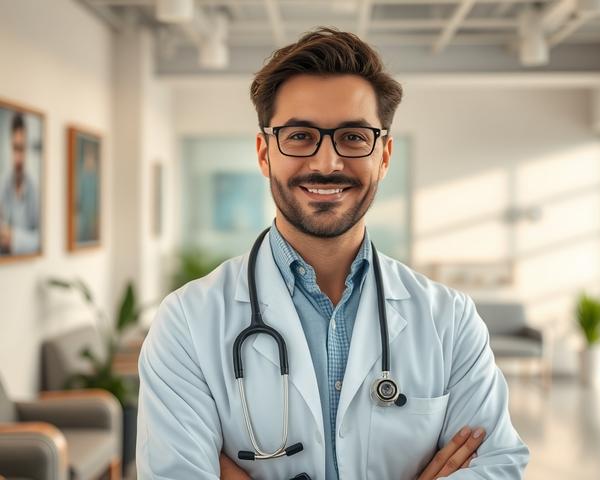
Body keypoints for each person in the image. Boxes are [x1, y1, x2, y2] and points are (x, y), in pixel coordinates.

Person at [136, 28, 529, 479]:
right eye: (300, 136)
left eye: (354, 137)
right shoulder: (187, 322)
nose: (326, 163)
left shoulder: (450, 320)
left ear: (383, 155)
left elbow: (498, 465)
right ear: (265, 154)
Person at [0, 112, 39, 255]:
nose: (18, 157)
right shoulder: (3, 185)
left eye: (22, 149)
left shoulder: (34, 188)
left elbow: (41, 239)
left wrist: (13, 237)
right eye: (15, 148)